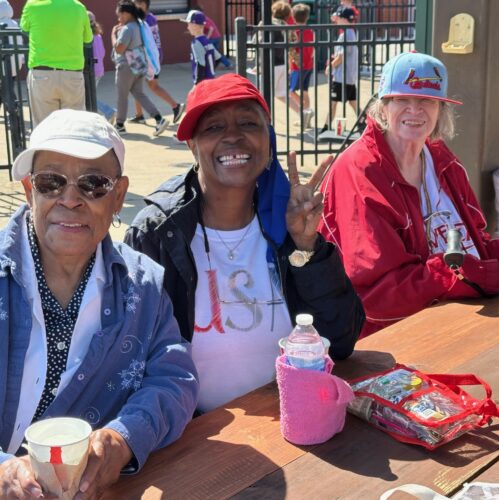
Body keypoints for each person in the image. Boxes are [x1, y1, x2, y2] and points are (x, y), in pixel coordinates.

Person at [125, 73, 365, 414]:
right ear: (192, 145)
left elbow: (341, 342)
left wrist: (307, 247)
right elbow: (132, 360)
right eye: (213, 127)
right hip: (194, 438)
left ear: (268, 140)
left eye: (247, 124)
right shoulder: (157, 234)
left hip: (292, 419)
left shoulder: (286, 223)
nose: (233, 137)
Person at [0, 109, 198, 498]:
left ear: (119, 195)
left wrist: (123, 439)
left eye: (93, 184)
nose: (70, 200)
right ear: (29, 189)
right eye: (51, 181)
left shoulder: (143, 286)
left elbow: (174, 379)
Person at [318, 52, 499, 337]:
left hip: (454, 313)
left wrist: (484, 267)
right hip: (386, 339)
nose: (415, 111)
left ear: (440, 109)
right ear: (384, 106)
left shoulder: (441, 158)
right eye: (403, 100)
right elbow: (377, 297)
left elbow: (476, 240)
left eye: (426, 101)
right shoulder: (361, 171)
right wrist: (480, 274)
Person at [20, 0, 93, 127]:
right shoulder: (79, 7)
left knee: (44, 128)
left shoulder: (32, 5)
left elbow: (24, 29)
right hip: (72, 75)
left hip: (41, 74)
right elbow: (88, 40)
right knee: (74, 127)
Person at [111, 0, 168, 136]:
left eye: (119, 15)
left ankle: (119, 125)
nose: (119, 19)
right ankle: (159, 119)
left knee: (122, 95)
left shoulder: (127, 29)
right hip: (139, 64)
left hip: (126, 66)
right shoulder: (139, 25)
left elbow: (119, 49)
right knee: (139, 94)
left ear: (126, 14)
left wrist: (113, 35)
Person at [129, 0, 185, 126]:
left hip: (148, 58)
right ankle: (139, 115)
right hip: (153, 56)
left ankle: (175, 106)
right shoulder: (150, 17)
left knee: (144, 87)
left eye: (136, 3)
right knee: (138, 86)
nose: (133, 6)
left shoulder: (144, 20)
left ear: (143, 4)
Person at [319, 6, 358, 136]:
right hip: (349, 76)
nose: (336, 20)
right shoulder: (352, 33)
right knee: (353, 102)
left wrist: (330, 66)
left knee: (333, 102)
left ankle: (326, 127)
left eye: (338, 17)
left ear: (343, 19)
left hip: (341, 76)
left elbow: (341, 56)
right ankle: (365, 122)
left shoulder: (345, 35)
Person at [88, 11, 117, 124]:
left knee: (89, 97)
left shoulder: (86, 37)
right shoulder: (98, 36)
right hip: (99, 69)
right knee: (90, 96)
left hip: (91, 71)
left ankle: (108, 111)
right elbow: (103, 52)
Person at [289, 3, 314, 128]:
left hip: (298, 67)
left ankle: (305, 112)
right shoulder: (310, 30)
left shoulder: (295, 32)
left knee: (291, 92)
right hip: (309, 64)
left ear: (293, 16)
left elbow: (292, 51)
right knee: (305, 91)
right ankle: (307, 113)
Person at [182, 9, 221, 86]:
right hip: (211, 81)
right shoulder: (207, 41)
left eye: (188, 24)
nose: (187, 28)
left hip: (203, 84)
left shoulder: (196, 43)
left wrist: (196, 84)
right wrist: (210, 71)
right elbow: (218, 58)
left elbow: (200, 64)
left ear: (195, 25)